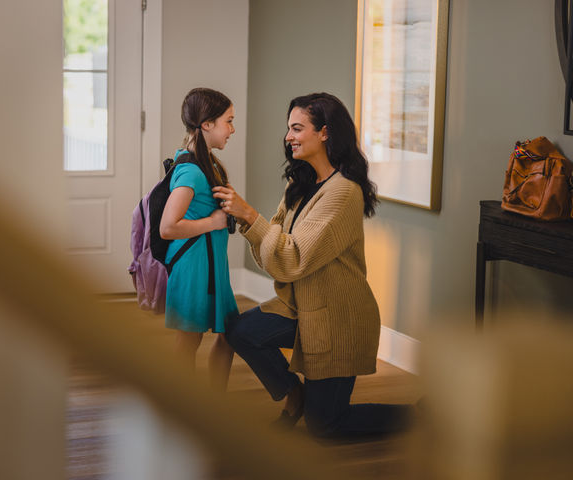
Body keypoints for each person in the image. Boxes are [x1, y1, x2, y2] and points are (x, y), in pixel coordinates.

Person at [212, 92, 414, 437]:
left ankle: (421, 418)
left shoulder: (343, 192)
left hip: (337, 319)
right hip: (301, 307)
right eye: (288, 128)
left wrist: (249, 215)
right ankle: (295, 396)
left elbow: (292, 258)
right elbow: (276, 252)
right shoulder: (301, 182)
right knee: (241, 331)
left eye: (297, 128)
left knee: (327, 429)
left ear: (324, 133)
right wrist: (252, 225)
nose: (288, 136)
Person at [160, 87, 238, 391]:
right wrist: (214, 221)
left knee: (228, 333)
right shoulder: (192, 172)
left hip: (208, 265)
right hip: (194, 267)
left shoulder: (205, 163)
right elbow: (168, 227)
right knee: (189, 340)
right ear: (206, 124)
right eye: (228, 121)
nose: (232, 129)